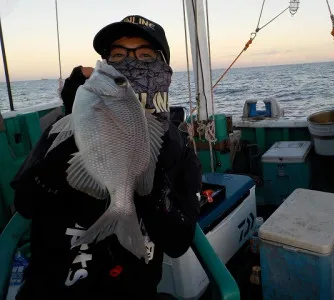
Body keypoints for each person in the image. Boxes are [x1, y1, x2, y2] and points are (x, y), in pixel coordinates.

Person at [11, 15, 202, 300]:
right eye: (117, 55)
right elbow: (25, 203)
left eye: (146, 55)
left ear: (163, 69)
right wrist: (78, 123)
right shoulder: (62, 128)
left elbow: (177, 242)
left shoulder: (180, 147)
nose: (130, 62)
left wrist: (146, 170)